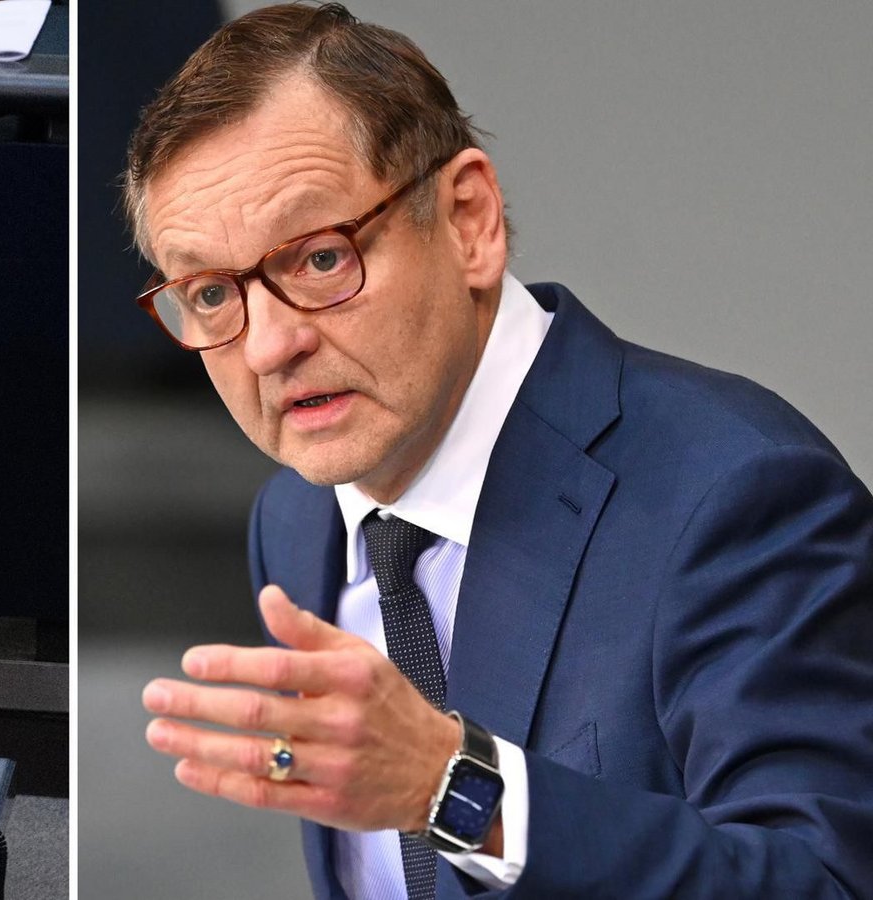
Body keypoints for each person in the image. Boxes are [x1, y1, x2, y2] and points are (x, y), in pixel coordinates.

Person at [128, 5, 873, 898]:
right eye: (211, 293)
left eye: (319, 260)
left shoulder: (738, 494)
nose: (266, 347)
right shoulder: (296, 518)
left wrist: (455, 788)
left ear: (469, 221)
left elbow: (825, 881)